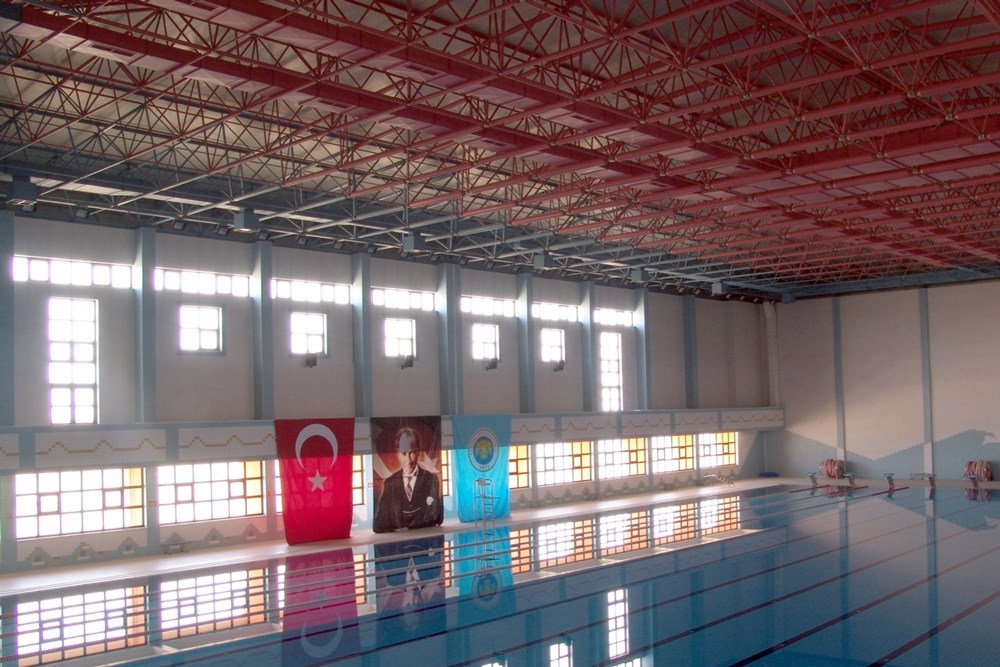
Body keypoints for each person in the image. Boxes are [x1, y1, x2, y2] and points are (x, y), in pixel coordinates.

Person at [373, 427, 443, 532]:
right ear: (398, 454)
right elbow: (381, 520)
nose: (408, 460)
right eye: (403, 454)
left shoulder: (431, 480)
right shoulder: (390, 483)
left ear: (418, 452)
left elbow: (434, 514)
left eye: (412, 453)